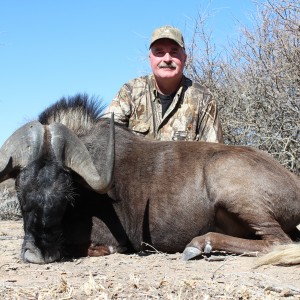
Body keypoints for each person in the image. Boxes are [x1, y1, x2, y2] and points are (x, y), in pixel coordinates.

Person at [105, 25, 223, 143]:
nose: (167, 59)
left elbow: (215, 155)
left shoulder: (204, 98)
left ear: (184, 58)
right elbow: (104, 137)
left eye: (174, 52)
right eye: (160, 52)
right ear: (150, 58)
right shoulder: (130, 92)